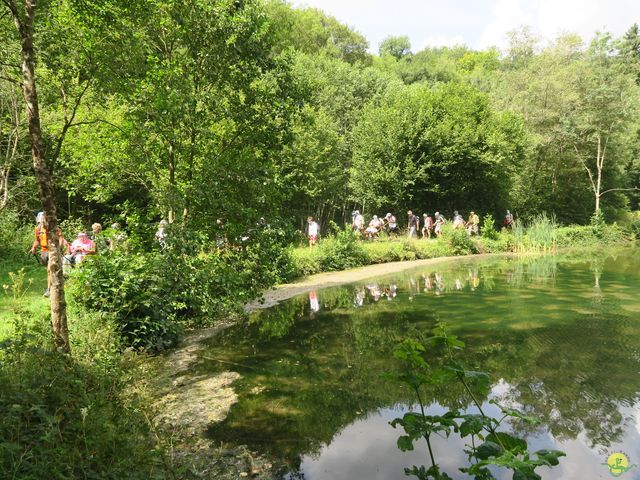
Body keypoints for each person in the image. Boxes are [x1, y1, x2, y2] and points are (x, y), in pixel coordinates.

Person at [29, 212, 69, 297]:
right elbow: (37, 240)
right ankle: (59, 282)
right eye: (41, 221)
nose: (43, 222)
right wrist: (34, 248)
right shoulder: (38, 229)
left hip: (53, 250)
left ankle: (49, 290)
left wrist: (59, 247)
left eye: (44, 220)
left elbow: (61, 238)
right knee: (51, 271)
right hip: (44, 251)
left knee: (50, 270)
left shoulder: (55, 228)